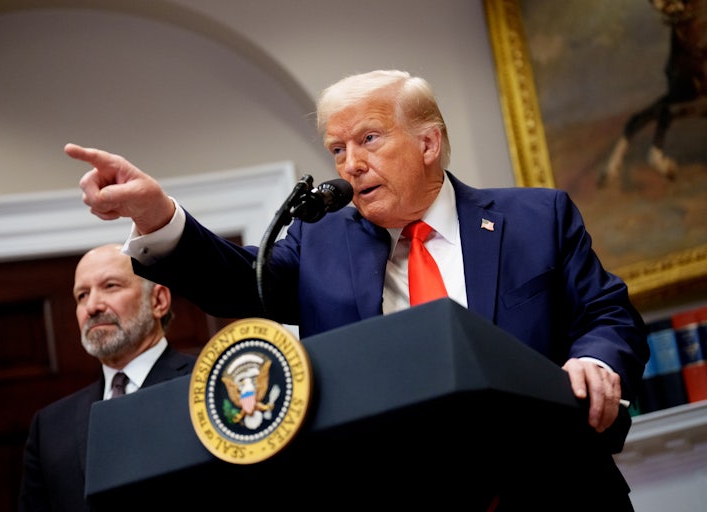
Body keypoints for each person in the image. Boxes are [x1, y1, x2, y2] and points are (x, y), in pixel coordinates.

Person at [64, 70, 649, 510]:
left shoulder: (534, 218)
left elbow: (608, 314)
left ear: (428, 143)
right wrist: (158, 214)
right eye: (338, 149)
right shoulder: (319, 242)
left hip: (556, 492)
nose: (351, 164)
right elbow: (242, 282)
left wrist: (595, 359)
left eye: (369, 139)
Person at [18, 244, 196, 512]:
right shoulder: (50, 426)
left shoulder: (207, 386)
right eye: (81, 295)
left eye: (111, 286)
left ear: (158, 301)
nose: (92, 306)